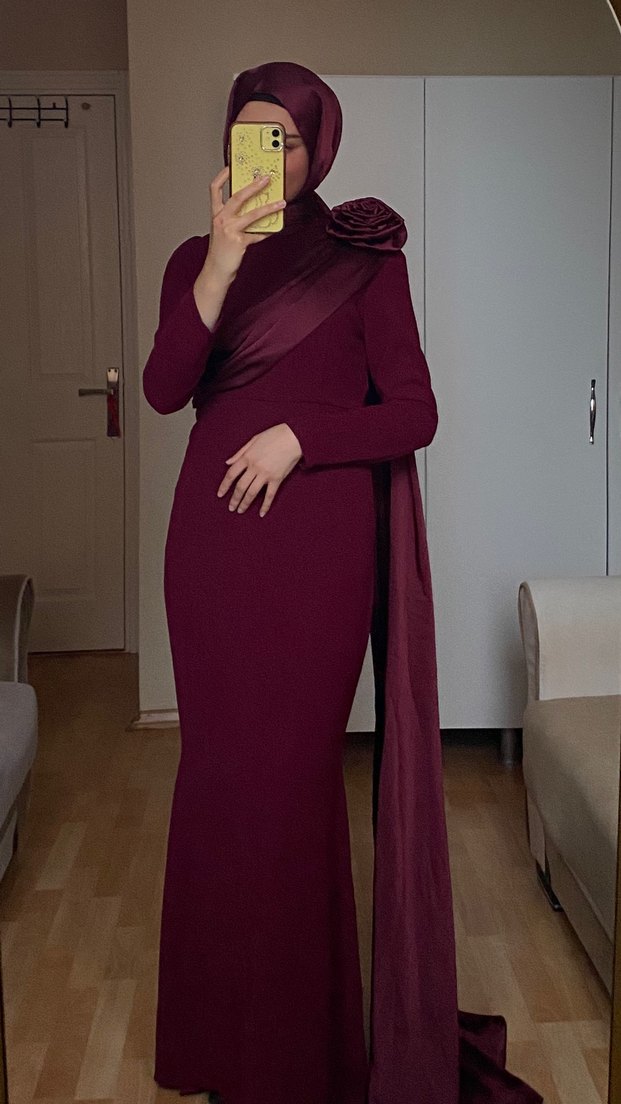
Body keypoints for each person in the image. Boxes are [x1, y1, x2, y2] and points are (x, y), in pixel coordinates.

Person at [143, 60, 544, 1104]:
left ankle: (298, 1058)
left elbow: (414, 413)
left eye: (285, 138)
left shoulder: (365, 264)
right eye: (250, 134)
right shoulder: (195, 258)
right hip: (211, 558)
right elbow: (162, 389)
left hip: (315, 565)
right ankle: (222, 1053)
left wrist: (299, 436)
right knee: (219, 790)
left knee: (290, 794)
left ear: (318, 149)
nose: (267, 154)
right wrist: (220, 262)